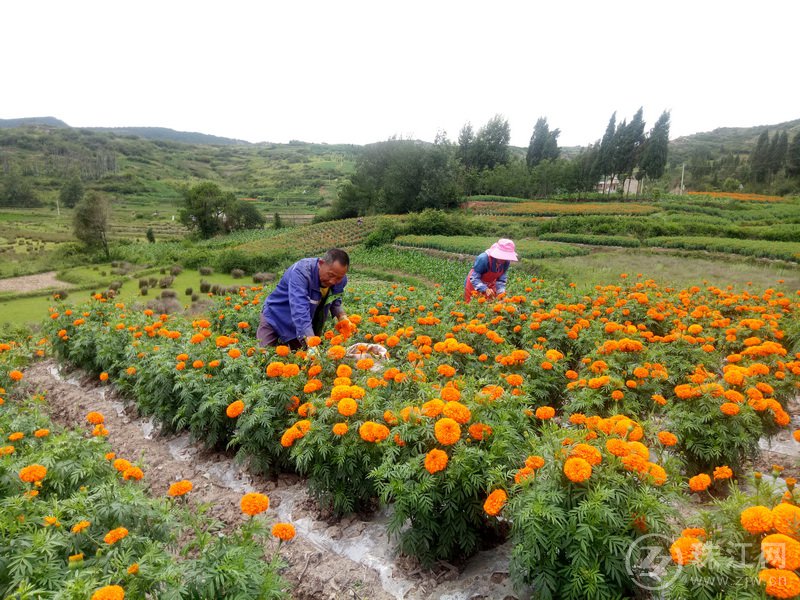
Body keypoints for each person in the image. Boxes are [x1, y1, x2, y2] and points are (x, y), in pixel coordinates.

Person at [257, 248, 352, 349]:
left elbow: (335, 302)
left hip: (298, 325)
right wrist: (310, 339)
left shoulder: (340, 279)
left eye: (339, 278)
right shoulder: (302, 273)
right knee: (263, 355)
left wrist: (343, 318)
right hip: (275, 316)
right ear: (321, 263)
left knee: (302, 358)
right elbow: (299, 309)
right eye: (330, 275)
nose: (333, 281)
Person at [464, 238, 518, 303]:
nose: (504, 259)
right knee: (473, 306)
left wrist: (501, 293)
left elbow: (501, 279)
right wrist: (485, 289)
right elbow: (474, 278)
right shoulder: (483, 258)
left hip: (490, 285)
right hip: (474, 285)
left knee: (490, 306)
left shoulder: (506, 262)